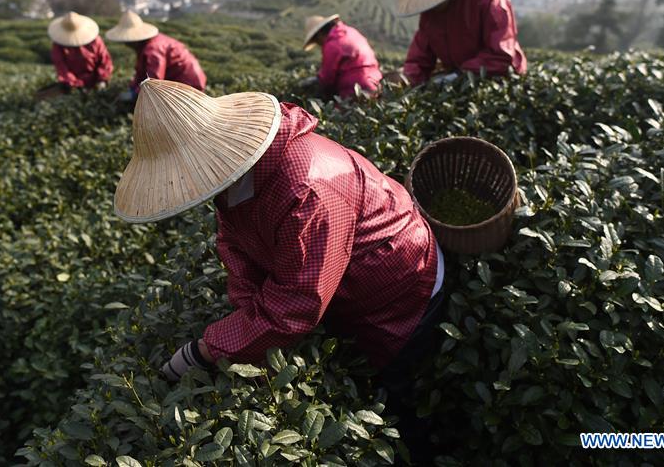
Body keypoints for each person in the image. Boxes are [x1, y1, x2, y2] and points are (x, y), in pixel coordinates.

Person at [113, 79, 446, 463]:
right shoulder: (236, 179)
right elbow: (235, 244)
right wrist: (247, 319)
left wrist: (210, 347)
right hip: (340, 283)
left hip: (399, 289)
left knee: (395, 397)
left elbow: (298, 303)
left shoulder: (309, 189)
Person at [397, 0, 527, 85]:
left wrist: (459, 75)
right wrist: (407, 79)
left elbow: (501, 55)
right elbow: (420, 58)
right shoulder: (430, 13)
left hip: (499, 79)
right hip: (460, 79)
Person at [105, 11, 206, 103]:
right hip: (177, 80)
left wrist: (134, 94)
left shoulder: (154, 50)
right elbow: (142, 72)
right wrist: (133, 87)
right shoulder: (144, 46)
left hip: (189, 84)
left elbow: (154, 80)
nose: (126, 44)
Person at [302, 14, 383, 99]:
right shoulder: (351, 31)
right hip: (376, 82)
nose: (320, 45)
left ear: (319, 35)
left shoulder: (332, 44)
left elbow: (327, 79)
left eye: (317, 41)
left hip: (354, 91)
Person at [40, 12, 113, 100]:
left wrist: (102, 80)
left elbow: (104, 61)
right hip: (72, 84)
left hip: (95, 80)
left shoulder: (95, 41)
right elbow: (62, 68)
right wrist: (75, 84)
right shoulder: (59, 46)